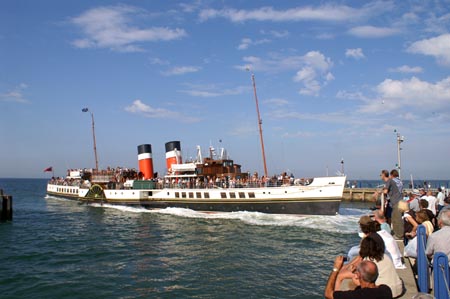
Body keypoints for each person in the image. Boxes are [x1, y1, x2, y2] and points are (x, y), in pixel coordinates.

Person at [338, 233, 403, 297]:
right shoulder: (385, 256)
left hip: (385, 292)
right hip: (397, 289)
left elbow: (348, 270)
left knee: (345, 276)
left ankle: (334, 295)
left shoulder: (368, 261)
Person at [324, 256, 393, 299]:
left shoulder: (357, 295)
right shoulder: (386, 290)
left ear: (357, 276)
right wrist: (357, 273)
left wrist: (336, 269)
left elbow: (328, 294)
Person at [381, 169, 403, 239]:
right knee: (398, 218)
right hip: (400, 201)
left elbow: (386, 191)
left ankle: (398, 235)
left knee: (394, 218)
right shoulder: (400, 182)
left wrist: (379, 192)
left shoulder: (391, 181)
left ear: (391, 175)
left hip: (394, 201)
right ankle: (398, 233)